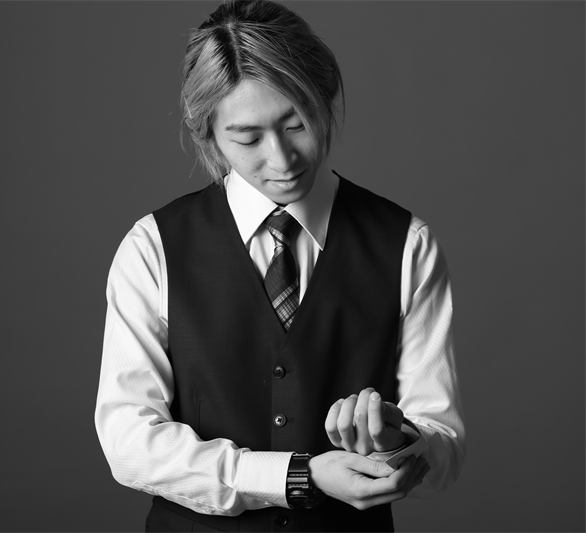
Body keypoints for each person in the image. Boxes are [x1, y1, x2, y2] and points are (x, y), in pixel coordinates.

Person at [95, 0, 466, 531]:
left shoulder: (407, 243)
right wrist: (298, 477)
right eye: (247, 138)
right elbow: (129, 442)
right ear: (207, 134)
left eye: (297, 124)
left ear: (325, 99)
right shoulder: (152, 248)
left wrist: (397, 444)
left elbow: (444, 449)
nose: (282, 160)